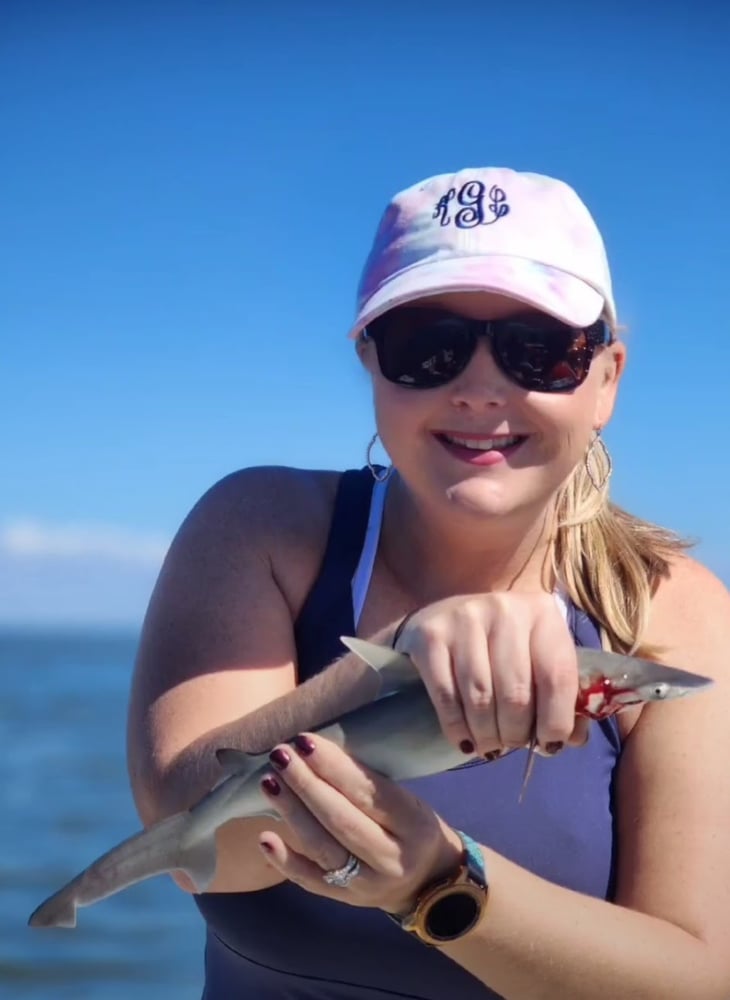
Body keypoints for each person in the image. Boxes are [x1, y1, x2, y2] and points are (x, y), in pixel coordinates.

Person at [126, 167, 730, 1000]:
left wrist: (441, 884)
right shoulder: (264, 527)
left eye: (540, 350)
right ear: (369, 360)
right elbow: (192, 847)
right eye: (428, 346)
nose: (481, 388)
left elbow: (696, 980)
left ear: (606, 379)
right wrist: (387, 661)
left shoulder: (675, 612)